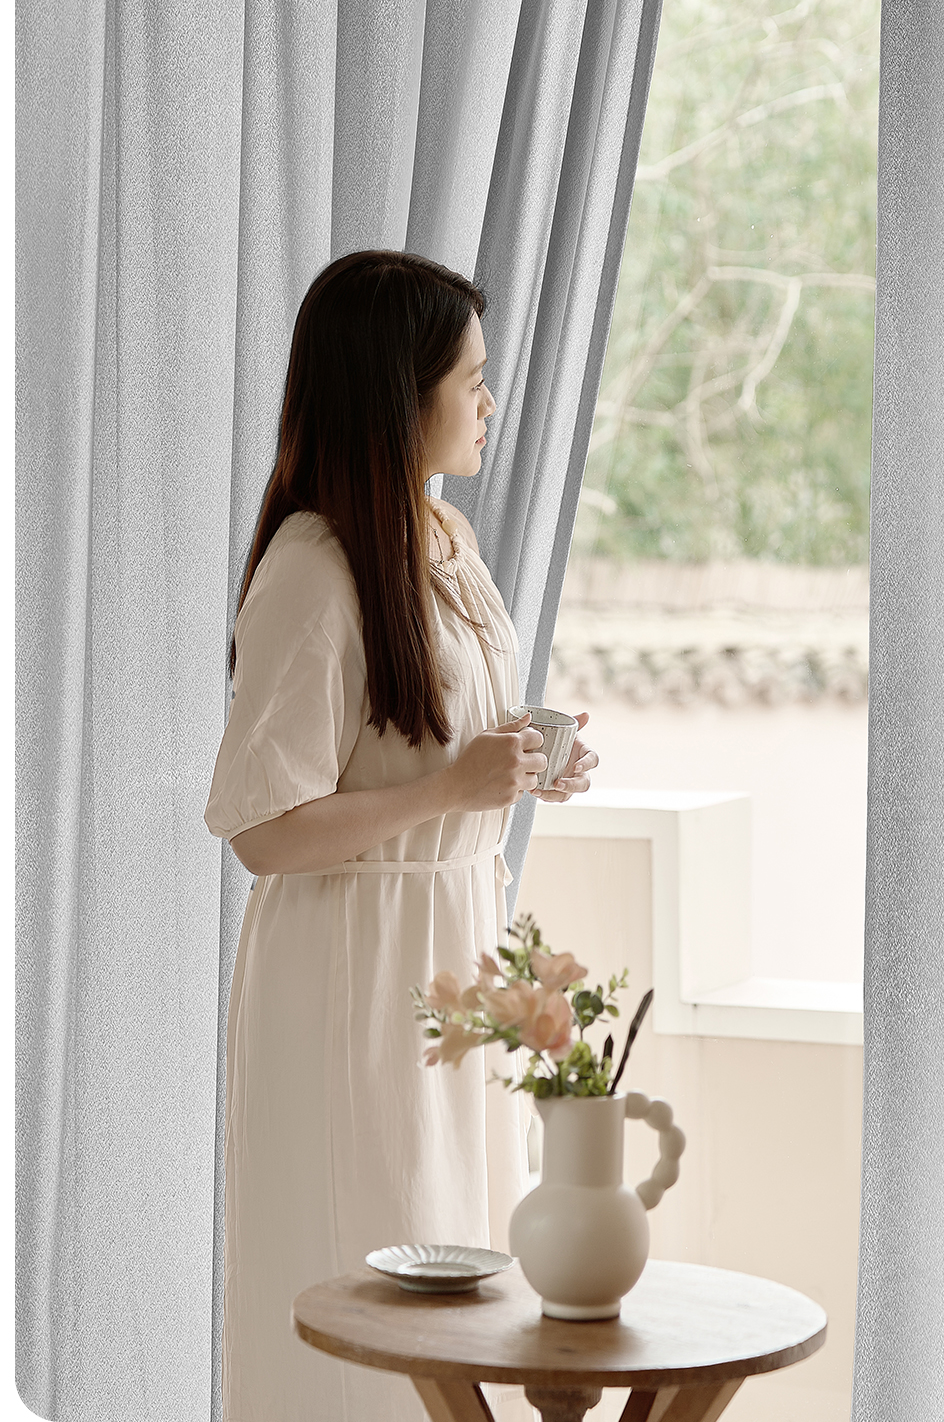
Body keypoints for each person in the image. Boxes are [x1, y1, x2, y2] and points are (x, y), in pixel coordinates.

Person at [203, 249, 599, 1422]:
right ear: (398, 389)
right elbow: (263, 829)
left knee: (467, 1257)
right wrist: (451, 789)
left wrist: (524, 762)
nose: (490, 400)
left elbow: (436, 738)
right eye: (470, 378)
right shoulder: (313, 568)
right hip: (352, 968)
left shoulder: (442, 535)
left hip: (452, 951)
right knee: (369, 1260)